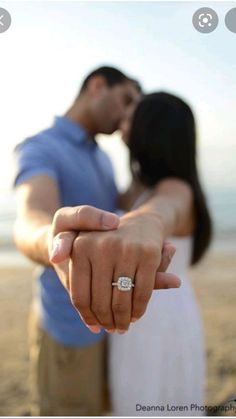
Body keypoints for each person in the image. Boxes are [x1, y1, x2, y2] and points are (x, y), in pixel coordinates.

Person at [13, 67, 180, 416]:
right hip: (69, 328)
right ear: (97, 85)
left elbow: (118, 211)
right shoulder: (42, 147)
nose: (129, 113)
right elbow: (30, 218)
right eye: (126, 99)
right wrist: (55, 242)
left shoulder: (102, 157)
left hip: (115, 330)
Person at [107, 92, 212, 416]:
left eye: (130, 116)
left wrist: (143, 223)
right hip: (148, 317)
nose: (122, 123)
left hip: (159, 325)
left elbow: (161, 211)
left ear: (149, 130)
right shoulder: (143, 187)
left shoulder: (176, 189)